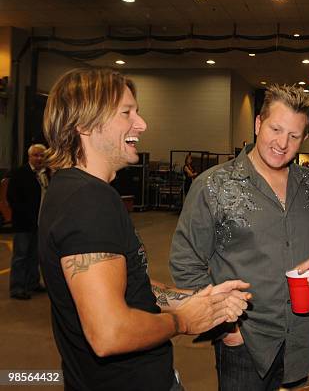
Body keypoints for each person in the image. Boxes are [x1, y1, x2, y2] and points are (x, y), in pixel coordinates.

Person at [38, 68, 251, 391]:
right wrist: (183, 321)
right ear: (84, 123)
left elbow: (127, 285)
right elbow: (108, 333)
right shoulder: (88, 200)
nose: (142, 124)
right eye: (127, 112)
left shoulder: (72, 190)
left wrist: (196, 300)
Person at [170, 84, 309, 391]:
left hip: (299, 345)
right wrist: (226, 328)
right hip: (244, 347)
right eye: (275, 129)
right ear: (258, 124)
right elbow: (186, 262)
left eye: (294, 136)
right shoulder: (213, 186)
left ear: (304, 138)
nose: (282, 143)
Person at [7, 143, 49, 300]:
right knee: (21, 256)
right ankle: (17, 287)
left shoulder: (46, 174)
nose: (39, 158)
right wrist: (24, 214)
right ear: (29, 157)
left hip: (40, 223)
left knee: (35, 255)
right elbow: (12, 197)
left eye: (42, 155)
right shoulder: (20, 173)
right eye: (36, 155)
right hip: (24, 223)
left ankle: (33, 283)